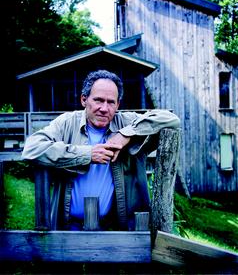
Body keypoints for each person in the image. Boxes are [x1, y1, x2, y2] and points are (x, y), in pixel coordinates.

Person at [22, 70, 180, 230]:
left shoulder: (126, 122)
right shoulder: (66, 123)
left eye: (111, 102)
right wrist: (87, 154)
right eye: (98, 100)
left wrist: (126, 134)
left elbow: (172, 120)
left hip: (117, 231)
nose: (104, 108)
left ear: (118, 104)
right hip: (68, 228)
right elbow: (32, 148)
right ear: (84, 99)